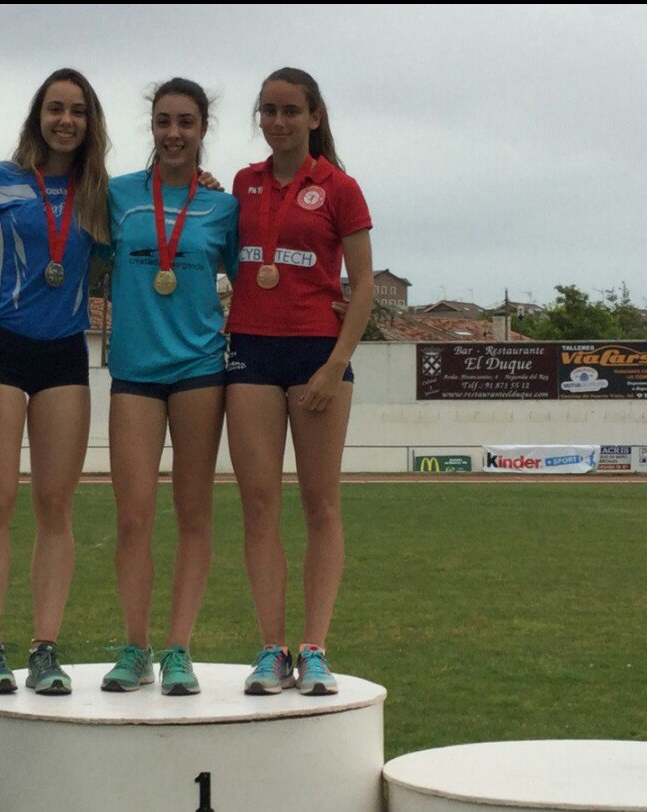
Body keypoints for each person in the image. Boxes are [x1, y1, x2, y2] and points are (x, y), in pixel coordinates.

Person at [0, 68, 111, 695]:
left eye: (77, 110)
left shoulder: (100, 192)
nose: (65, 120)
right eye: (55, 108)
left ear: (89, 121)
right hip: (2, 350)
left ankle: (45, 648)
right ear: (38, 115)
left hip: (64, 358)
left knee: (55, 506)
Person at [226, 67, 374, 696]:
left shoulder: (340, 187)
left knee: (320, 504)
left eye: (290, 110)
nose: (278, 121)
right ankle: (270, 648)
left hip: (319, 354)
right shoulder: (242, 184)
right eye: (268, 110)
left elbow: (364, 286)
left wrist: (335, 363)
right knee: (259, 505)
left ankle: (313, 648)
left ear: (314, 117)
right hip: (251, 351)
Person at [100, 78, 239, 696]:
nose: (174, 133)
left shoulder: (223, 207)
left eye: (186, 122)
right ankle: (136, 647)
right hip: (133, 372)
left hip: (200, 371)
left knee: (193, 515)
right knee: (133, 516)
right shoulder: (117, 195)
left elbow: (258, 281)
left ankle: (179, 649)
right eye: (163, 121)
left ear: (203, 129)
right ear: (151, 127)